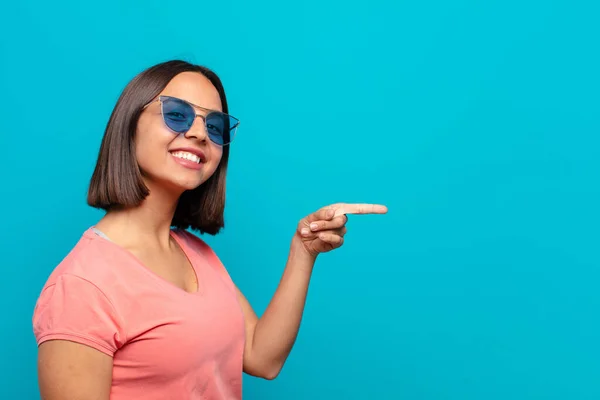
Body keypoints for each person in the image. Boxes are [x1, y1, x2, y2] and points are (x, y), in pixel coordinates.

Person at [32, 60, 387, 400]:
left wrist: (303, 250)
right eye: (176, 114)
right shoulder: (81, 286)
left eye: (215, 126)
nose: (200, 133)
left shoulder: (195, 253)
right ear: (129, 124)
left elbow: (261, 357)